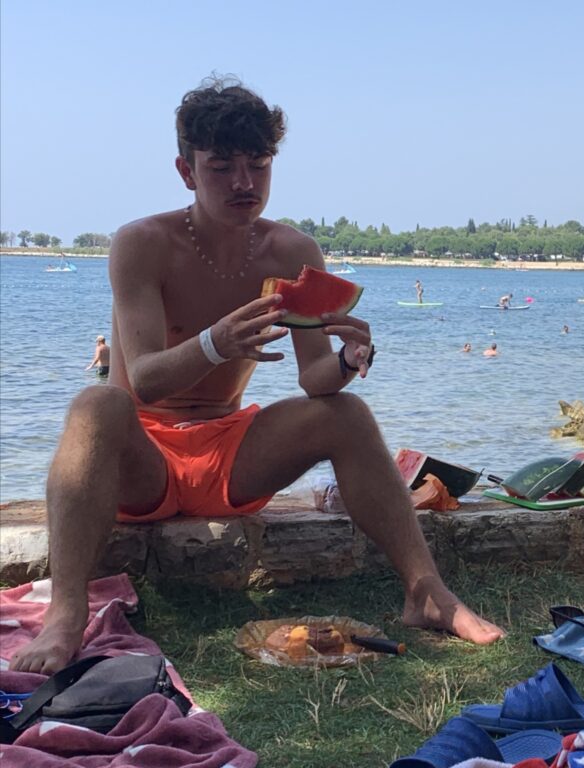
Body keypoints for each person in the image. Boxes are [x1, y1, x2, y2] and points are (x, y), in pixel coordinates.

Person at [10, 77, 504, 676]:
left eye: (258, 164)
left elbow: (314, 380)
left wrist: (348, 361)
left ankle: (425, 590)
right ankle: (67, 614)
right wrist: (218, 343)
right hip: (143, 459)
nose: (244, 183)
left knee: (346, 414)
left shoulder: (292, 250)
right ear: (186, 171)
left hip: (230, 454)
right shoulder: (141, 243)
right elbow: (142, 381)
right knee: (95, 405)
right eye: (221, 167)